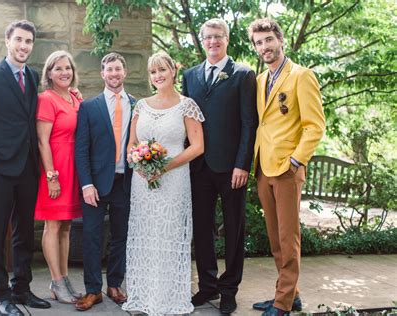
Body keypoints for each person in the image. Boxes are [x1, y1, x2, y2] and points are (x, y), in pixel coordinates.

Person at [0, 20, 51, 315]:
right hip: (1, 169)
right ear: (7, 41)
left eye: (28, 41)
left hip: (28, 168)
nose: (24, 46)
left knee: (25, 232)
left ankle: (21, 289)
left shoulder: (31, 76)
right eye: (19, 40)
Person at [247, 18, 325, 316]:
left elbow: (314, 126)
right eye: (259, 43)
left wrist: (296, 161)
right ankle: (290, 294)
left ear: (280, 40)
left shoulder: (301, 76)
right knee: (274, 237)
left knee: (288, 238)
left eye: (268, 40)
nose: (264, 47)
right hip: (264, 168)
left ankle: (282, 305)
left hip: (287, 170)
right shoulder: (259, 81)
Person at [182, 18, 258, 314]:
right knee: (201, 228)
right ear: (202, 41)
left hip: (231, 168)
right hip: (198, 167)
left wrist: (243, 164)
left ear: (227, 39)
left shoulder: (243, 74)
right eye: (208, 37)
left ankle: (229, 289)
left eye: (218, 36)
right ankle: (208, 285)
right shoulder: (190, 76)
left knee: (234, 229)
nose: (213, 41)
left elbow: (249, 124)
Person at [121, 52, 205, 316]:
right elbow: (131, 144)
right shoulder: (141, 106)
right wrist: (140, 163)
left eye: (162, 70)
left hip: (174, 180)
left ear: (173, 71)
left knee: (169, 235)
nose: (158, 76)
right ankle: (144, 294)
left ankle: (168, 296)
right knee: (145, 234)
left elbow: (198, 147)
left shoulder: (186, 105)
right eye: (153, 72)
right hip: (143, 181)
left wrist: (164, 166)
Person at [74, 52, 135, 311]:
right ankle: (92, 291)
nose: (114, 74)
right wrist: (86, 184)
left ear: (125, 72)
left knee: (121, 236)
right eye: (109, 70)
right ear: (102, 74)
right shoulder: (89, 107)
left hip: (125, 182)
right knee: (91, 237)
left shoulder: (137, 105)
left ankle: (114, 285)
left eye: (118, 69)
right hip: (96, 186)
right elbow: (81, 149)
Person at [34, 50, 83, 304]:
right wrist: (52, 176)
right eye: (58, 68)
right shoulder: (47, 99)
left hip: (73, 169)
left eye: (68, 68)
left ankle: (64, 278)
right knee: (52, 225)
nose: (65, 72)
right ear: (49, 74)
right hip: (55, 170)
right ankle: (56, 280)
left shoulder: (74, 98)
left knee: (66, 226)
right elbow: (42, 141)